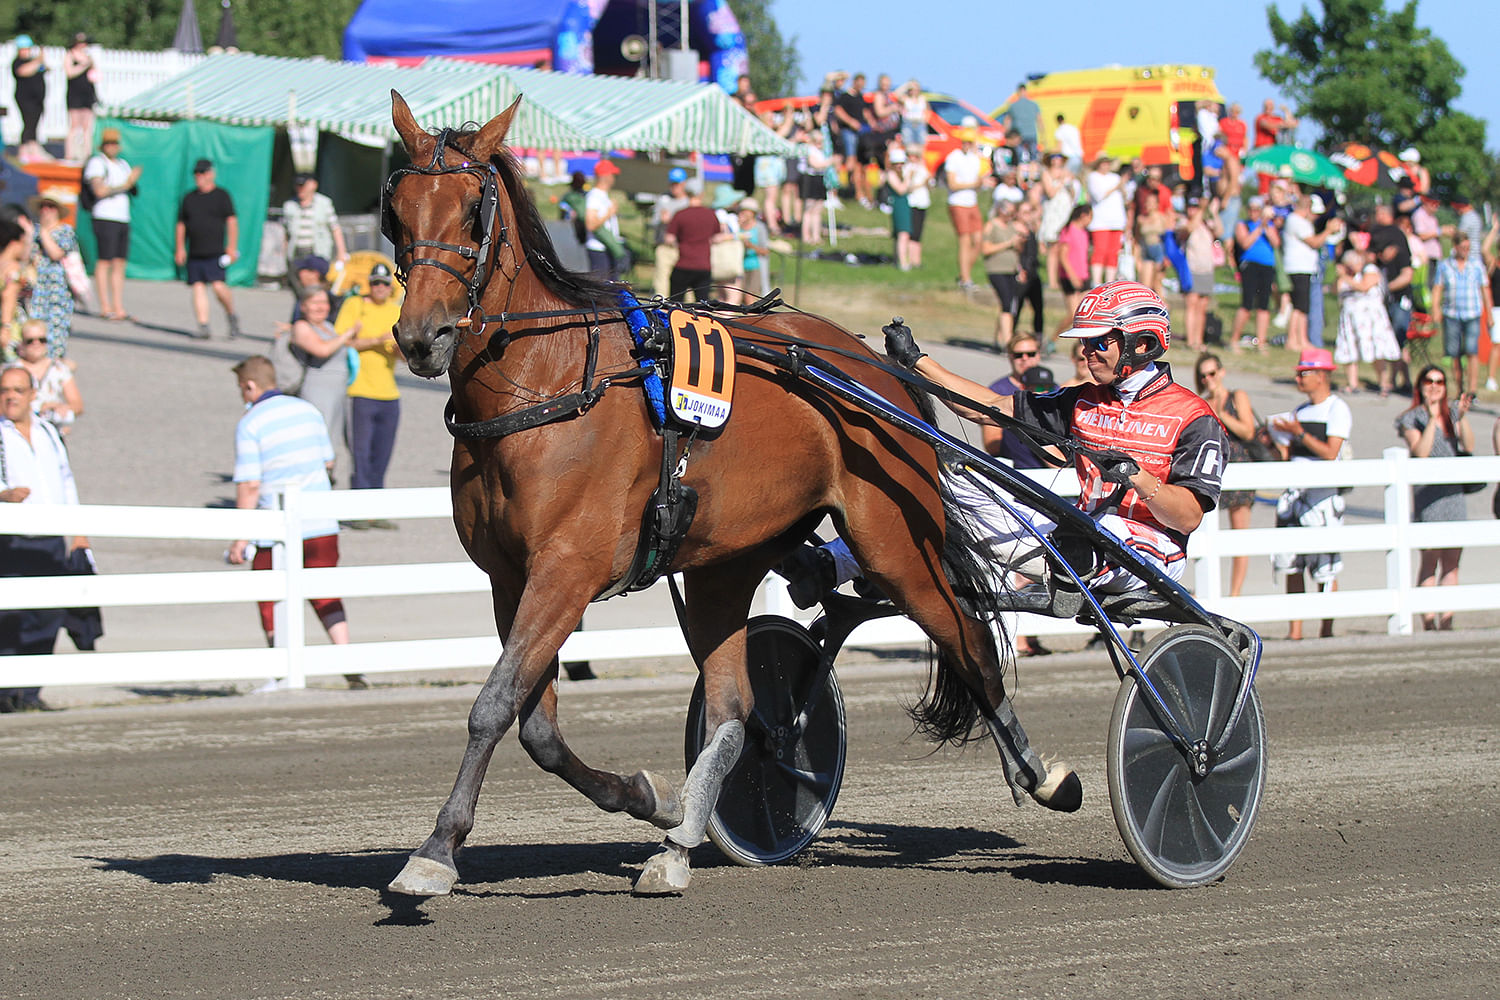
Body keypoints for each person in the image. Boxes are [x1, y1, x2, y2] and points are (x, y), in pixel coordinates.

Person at [789, 281, 1227, 614]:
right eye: (1085, 342)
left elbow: (1188, 517)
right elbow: (990, 408)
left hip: (1152, 551)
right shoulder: (1081, 400)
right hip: (1076, 535)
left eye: (1099, 342)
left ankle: (1059, 568)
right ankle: (830, 565)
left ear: (1143, 343)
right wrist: (917, 362)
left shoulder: (1193, 417)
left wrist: (1138, 477)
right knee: (940, 484)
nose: (1087, 352)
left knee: (1094, 533)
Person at [226, 355, 363, 691]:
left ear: (250, 386)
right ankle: (348, 664)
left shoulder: (251, 422)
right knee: (325, 592)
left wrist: (240, 538)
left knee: (270, 596)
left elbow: (249, 485)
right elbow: (328, 460)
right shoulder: (308, 411)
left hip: (275, 529)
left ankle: (279, 669)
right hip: (320, 520)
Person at [0, 363, 90, 712]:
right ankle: (5, 694)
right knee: (11, 616)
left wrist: (78, 532)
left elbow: (66, 481)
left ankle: (30, 692)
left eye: (18, 390)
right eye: (5, 390)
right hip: (13, 539)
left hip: (51, 539)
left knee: (48, 615)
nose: (10, 397)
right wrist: (4, 496)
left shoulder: (49, 432)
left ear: (33, 394)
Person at [1271, 348, 1350, 641]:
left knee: (1324, 566)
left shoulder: (1336, 408)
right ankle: (1296, 631)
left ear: (1322, 376)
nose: (1298, 378)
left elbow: (1331, 453)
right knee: (1293, 564)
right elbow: (1289, 456)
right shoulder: (1301, 412)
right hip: (1296, 495)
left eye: (1304, 373)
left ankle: (1326, 629)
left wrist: (1299, 433)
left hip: (1322, 498)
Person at [1395, 365, 1474, 631]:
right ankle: (1428, 622)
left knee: (1452, 561)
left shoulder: (1452, 413)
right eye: (1429, 381)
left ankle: (1447, 620)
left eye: (1439, 381)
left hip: (1453, 495)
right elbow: (1422, 452)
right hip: (1429, 496)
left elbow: (1470, 446)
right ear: (1420, 385)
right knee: (1430, 559)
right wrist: (1431, 418)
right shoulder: (1411, 418)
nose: (1434, 385)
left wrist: (1460, 418)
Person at [1196, 352, 1261, 597]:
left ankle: (1235, 593)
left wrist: (1222, 415)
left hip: (1240, 465)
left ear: (1221, 372)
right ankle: (1208, 588)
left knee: (1239, 534)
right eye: (1203, 376)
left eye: (1212, 373)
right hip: (1213, 469)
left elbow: (1248, 431)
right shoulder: (1202, 401)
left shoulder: (1237, 397)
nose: (1208, 379)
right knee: (1204, 530)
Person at [339, 263, 403, 511]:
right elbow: (341, 341)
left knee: (382, 455)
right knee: (361, 454)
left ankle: (375, 509)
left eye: (384, 284)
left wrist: (399, 348)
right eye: (375, 283)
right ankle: (358, 509)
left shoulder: (396, 311)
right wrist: (376, 340)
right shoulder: (355, 305)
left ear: (391, 288)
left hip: (389, 393)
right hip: (359, 391)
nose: (379, 288)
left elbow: (404, 356)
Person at [175, 159, 241, 340]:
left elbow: (232, 221)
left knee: (219, 287)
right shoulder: (189, 198)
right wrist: (180, 248)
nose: (199, 177)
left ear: (211, 174)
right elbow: (181, 224)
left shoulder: (222, 196)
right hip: (195, 251)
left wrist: (232, 247)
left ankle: (231, 314)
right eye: (196, 174)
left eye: (203, 173)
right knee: (197, 287)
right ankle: (203, 325)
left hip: (216, 252)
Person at [83, 128, 143, 322]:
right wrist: (126, 184)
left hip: (122, 218)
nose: (112, 147)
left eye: (115, 143)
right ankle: (105, 306)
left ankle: (118, 306)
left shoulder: (123, 164)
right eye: (108, 143)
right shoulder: (97, 163)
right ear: (103, 145)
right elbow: (99, 191)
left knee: (119, 262)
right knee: (104, 260)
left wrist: (131, 183)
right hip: (104, 217)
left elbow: (131, 189)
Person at [290, 286, 355, 452]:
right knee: (317, 435)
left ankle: (328, 470)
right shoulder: (301, 326)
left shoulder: (328, 326)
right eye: (315, 302)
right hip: (317, 389)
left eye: (324, 302)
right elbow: (322, 350)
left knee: (333, 437)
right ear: (303, 306)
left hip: (337, 391)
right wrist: (347, 334)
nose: (321, 307)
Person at [1430, 234, 1493, 398]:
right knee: (1455, 353)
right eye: (1463, 247)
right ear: (1455, 246)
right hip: (1452, 314)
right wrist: (1435, 309)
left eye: (1468, 247)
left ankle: (1472, 391)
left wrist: (1490, 313)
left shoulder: (1476, 265)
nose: (1466, 251)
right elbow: (1437, 288)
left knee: (1472, 351)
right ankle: (1460, 389)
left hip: (1472, 313)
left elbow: (1485, 289)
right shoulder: (1445, 265)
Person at [1333, 248, 1400, 396]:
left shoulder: (1370, 270)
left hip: (1371, 318)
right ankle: (1352, 383)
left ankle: (1383, 383)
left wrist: (1345, 276)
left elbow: (1364, 286)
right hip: (1350, 317)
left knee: (1377, 350)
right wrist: (1340, 276)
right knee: (1349, 349)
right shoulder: (1346, 277)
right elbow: (1335, 291)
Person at [27, 196, 78, 358]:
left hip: (58, 293)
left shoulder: (65, 231)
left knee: (55, 338)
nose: (45, 210)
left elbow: (56, 253)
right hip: (36, 291)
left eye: (50, 207)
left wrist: (43, 233)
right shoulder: (33, 231)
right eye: (43, 206)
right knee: (33, 333)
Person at [13, 318, 83, 437]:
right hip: (19, 432)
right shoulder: (13, 370)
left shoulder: (59, 369)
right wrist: (38, 409)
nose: (37, 344)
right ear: (22, 344)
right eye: (30, 341)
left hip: (52, 433)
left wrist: (62, 407)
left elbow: (77, 404)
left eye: (42, 340)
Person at [1230, 195, 1280, 353]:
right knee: (1247, 303)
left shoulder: (1268, 226)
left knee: (1264, 305)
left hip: (1266, 266)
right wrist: (1259, 228)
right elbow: (1245, 242)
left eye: (1257, 210)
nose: (1254, 212)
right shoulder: (1243, 224)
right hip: (1250, 265)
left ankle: (1261, 341)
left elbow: (1276, 243)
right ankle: (1234, 339)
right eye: (1252, 209)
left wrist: (1267, 226)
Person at [282, 173, 348, 292]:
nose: (300, 188)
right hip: (296, 252)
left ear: (313, 185)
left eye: (303, 185)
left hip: (317, 251)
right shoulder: (289, 206)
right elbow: (286, 233)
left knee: (317, 287)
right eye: (298, 185)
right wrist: (283, 256)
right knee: (298, 288)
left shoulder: (324, 203)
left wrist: (341, 252)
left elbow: (335, 228)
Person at [664, 178, 721, 302]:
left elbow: (669, 239)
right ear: (701, 194)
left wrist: (678, 243)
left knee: (675, 304)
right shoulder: (711, 214)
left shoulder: (680, 215)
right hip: (704, 266)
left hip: (683, 264)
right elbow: (717, 237)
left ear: (686, 192)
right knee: (703, 305)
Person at [981, 199, 1026, 350]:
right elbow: (986, 249)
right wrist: (1008, 243)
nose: (1011, 216)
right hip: (996, 270)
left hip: (1011, 269)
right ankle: (1007, 342)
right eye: (1009, 212)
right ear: (1001, 210)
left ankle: (998, 338)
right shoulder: (991, 225)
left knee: (1008, 303)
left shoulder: (1012, 227)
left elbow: (1017, 249)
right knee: (1007, 303)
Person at [943, 128, 984, 291]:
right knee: (965, 240)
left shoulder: (975, 159)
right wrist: (973, 184)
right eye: (965, 141)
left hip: (972, 202)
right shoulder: (954, 157)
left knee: (978, 240)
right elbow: (952, 184)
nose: (968, 145)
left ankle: (964, 272)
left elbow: (980, 179)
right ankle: (966, 278)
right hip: (957, 202)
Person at [1178, 196, 1221, 351]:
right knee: (1192, 304)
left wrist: (1213, 213)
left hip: (1207, 268)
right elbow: (1187, 230)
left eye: (1196, 207)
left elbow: (1220, 231)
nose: (1193, 210)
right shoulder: (1184, 222)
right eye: (1191, 207)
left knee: (1202, 307)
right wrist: (1202, 210)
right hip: (1192, 268)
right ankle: (1190, 340)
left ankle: (1198, 339)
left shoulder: (1205, 223)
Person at [1085, 155, 1127, 287]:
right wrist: (1117, 186)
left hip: (1116, 220)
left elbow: (1125, 197)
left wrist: (1122, 187)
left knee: (1113, 252)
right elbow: (1099, 195)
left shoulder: (1115, 178)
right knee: (1100, 250)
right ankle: (1096, 281)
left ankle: (1110, 282)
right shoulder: (1093, 177)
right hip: (1100, 221)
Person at [584, 159, 627, 281]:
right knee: (601, 287)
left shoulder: (601, 196)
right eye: (613, 174)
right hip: (599, 249)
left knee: (611, 286)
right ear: (606, 176)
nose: (614, 178)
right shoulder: (594, 196)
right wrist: (609, 213)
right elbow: (590, 224)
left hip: (606, 248)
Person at [1053, 204, 1091, 340]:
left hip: (1084, 275)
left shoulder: (1085, 233)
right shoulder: (1068, 230)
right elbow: (1062, 256)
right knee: (1073, 314)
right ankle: (1053, 338)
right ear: (1083, 215)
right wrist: (1072, 276)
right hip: (1069, 277)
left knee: (1086, 314)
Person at [11, 36, 48, 163]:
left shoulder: (34, 61)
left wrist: (40, 61)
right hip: (25, 99)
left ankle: (33, 150)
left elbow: (44, 69)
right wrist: (38, 60)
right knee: (28, 123)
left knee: (34, 125)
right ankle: (23, 151)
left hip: (37, 99)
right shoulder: (17, 62)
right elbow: (24, 71)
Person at [63, 34, 98, 163]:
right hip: (75, 94)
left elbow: (94, 74)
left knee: (86, 127)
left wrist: (90, 64)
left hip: (87, 94)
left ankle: (87, 154)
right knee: (74, 125)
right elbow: (70, 73)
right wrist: (83, 65)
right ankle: (70, 154)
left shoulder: (88, 57)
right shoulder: (70, 55)